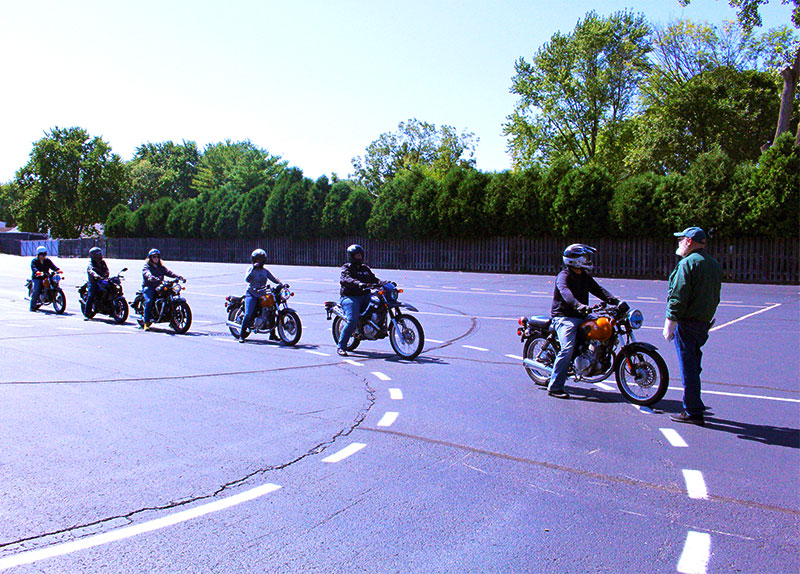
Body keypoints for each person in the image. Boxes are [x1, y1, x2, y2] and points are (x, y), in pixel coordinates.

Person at [663, 227, 722, 426]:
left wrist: (670, 322)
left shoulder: (688, 264)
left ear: (688, 241)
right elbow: (715, 296)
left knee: (688, 367)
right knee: (694, 365)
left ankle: (693, 411)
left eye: (681, 239)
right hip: (703, 323)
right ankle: (695, 403)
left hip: (688, 323)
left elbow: (678, 295)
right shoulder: (712, 264)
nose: (678, 243)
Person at [547, 244, 619, 399]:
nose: (588, 260)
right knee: (567, 349)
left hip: (582, 314)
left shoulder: (584, 275)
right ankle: (555, 387)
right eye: (585, 257)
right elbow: (565, 292)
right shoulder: (564, 276)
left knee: (604, 325)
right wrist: (578, 305)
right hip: (564, 317)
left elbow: (598, 290)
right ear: (575, 260)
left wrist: (615, 301)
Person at [337, 244, 381, 356]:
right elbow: (346, 279)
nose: (359, 257)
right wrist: (358, 283)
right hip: (350, 297)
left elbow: (374, 279)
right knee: (352, 320)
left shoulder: (365, 269)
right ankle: (341, 347)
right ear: (351, 256)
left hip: (365, 295)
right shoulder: (347, 268)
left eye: (360, 255)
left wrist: (384, 284)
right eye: (357, 255)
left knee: (380, 303)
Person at [239, 249, 282, 343]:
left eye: (261, 259)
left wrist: (280, 283)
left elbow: (273, 278)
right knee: (248, 314)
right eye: (257, 259)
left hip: (262, 293)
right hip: (251, 293)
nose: (259, 261)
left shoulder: (265, 271)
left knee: (271, 310)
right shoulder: (250, 269)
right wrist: (253, 269)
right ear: (254, 260)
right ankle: (242, 335)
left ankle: (272, 334)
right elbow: (247, 280)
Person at [141, 249, 184, 330]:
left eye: (157, 257)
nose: (156, 259)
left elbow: (169, 272)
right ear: (150, 258)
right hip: (149, 286)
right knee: (149, 301)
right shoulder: (147, 266)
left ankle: (172, 321)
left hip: (160, 285)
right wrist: (150, 277)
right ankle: (146, 322)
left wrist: (179, 277)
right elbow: (146, 273)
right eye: (154, 257)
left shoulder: (161, 267)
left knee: (170, 295)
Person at [29, 246, 61, 311]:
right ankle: (32, 307)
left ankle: (56, 296)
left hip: (46, 276)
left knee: (55, 283)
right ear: (38, 254)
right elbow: (34, 267)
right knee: (37, 289)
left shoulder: (47, 260)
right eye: (41, 254)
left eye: (44, 254)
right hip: (37, 277)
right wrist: (37, 272)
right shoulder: (34, 261)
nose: (43, 256)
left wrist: (57, 269)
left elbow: (53, 266)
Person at [84, 247, 109, 319]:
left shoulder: (102, 262)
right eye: (98, 254)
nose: (100, 255)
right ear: (94, 255)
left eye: (100, 253)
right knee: (91, 295)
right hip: (94, 281)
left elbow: (106, 269)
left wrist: (106, 273)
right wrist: (95, 275)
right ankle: (87, 313)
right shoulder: (91, 263)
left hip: (102, 279)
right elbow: (91, 270)